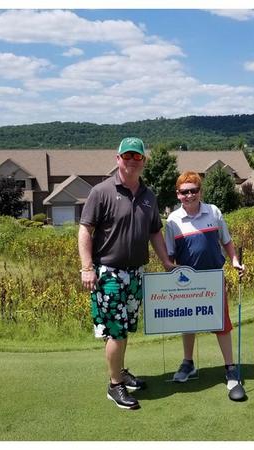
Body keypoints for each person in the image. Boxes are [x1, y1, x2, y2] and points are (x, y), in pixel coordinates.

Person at [78, 137, 175, 410]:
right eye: (127, 155)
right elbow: (85, 230)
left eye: (137, 156)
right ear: (118, 159)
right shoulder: (101, 191)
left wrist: (166, 261)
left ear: (143, 161)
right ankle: (114, 385)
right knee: (116, 331)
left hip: (136, 273)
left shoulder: (149, 196)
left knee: (125, 328)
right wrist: (87, 267)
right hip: (109, 274)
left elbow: (154, 231)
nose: (132, 160)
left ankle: (119, 372)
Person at [163, 171, 245, 396]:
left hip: (213, 278)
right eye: (184, 192)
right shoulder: (173, 221)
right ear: (178, 194)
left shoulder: (213, 211)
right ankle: (188, 363)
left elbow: (226, 241)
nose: (189, 195)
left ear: (200, 192)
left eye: (194, 190)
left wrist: (235, 261)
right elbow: (170, 254)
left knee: (221, 323)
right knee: (188, 322)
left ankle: (230, 368)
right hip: (187, 281)